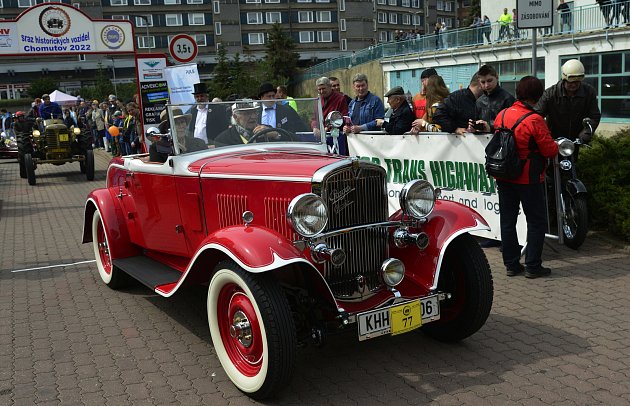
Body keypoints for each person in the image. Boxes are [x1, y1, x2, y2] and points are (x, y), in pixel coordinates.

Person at [492, 76, 559, 279]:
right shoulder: (534, 120)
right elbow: (549, 150)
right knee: (537, 221)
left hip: (504, 175)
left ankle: (511, 264)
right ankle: (533, 265)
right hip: (528, 178)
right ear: (538, 95)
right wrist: (556, 145)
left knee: (508, 220)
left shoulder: (502, 115)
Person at [535, 59, 601, 150]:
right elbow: (536, 115)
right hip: (553, 141)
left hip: (575, 141)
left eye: (577, 82)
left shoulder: (589, 92)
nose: (574, 85)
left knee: (573, 163)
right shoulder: (550, 94)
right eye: (571, 82)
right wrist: (543, 135)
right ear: (564, 78)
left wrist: (586, 133)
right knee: (551, 163)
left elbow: (594, 116)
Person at [469, 64, 516, 133]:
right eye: (483, 82)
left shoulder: (508, 99)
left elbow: (512, 124)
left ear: (497, 78)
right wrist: (474, 128)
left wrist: (490, 128)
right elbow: (477, 121)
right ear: (479, 82)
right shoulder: (479, 101)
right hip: (483, 141)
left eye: (489, 80)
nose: (486, 85)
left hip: (501, 141)